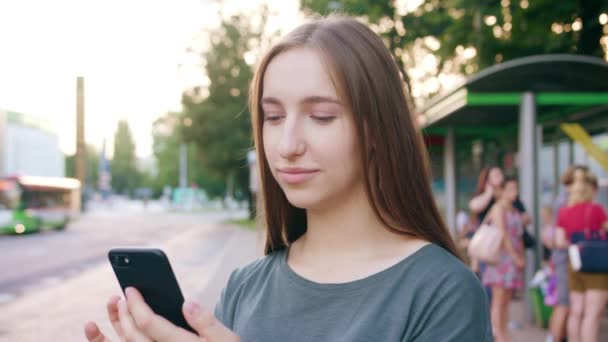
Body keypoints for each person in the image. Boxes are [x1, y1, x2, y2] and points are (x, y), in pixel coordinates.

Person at [84, 16, 492, 342]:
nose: (287, 144)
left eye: (321, 116)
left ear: (374, 129)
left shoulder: (442, 292)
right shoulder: (246, 287)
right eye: (273, 117)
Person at [556, 166, 608, 342]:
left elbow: (559, 241)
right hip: (597, 266)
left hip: (575, 263)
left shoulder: (564, 211)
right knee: (592, 315)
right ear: (591, 190)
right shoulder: (597, 210)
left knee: (576, 312)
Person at [482, 177, 526, 342]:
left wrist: (520, 257)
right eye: (510, 189)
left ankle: (503, 332)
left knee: (506, 299)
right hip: (500, 259)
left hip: (512, 259)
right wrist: (515, 257)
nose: (514, 192)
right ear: (502, 191)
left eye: (516, 189)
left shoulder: (514, 210)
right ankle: (497, 334)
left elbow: (519, 236)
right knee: (499, 299)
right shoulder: (498, 208)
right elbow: (503, 234)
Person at [542, 204, 569, 342]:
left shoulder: (548, 230)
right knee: (562, 306)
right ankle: (554, 337)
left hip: (555, 269)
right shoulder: (553, 230)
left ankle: (553, 336)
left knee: (559, 306)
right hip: (561, 269)